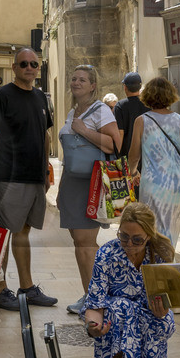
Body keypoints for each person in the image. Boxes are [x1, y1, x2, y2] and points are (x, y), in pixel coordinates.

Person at [0, 47, 59, 311]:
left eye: (34, 64)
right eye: (24, 63)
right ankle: (0, 290)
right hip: (7, 177)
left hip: (34, 177)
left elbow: (45, 136)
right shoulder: (1, 98)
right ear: (14, 68)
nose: (29, 68)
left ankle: (27, 287)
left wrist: (45, 169)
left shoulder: (40, 97)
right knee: (2, 235)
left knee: (23, 232)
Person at [80, 202, 180, 358]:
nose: (129, 244)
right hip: (115, 314)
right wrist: (92, 326)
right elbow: (95, 301)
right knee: (120, 308)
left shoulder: (160, 254)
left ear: (148, 236)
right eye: (124, 237)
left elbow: (166, 299)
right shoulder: (107, 254)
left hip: (146, 312)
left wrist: (162, 311)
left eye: (137, 240)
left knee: (165, 323)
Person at [57, 64, 122, 314]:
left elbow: (113, 144)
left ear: (93, 85)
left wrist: (84, 130)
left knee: (86, 242)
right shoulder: (73, 111)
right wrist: (61, 188)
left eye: (82, 80)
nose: (76, 83)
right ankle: (89, 295)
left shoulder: (101, 111)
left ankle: (96, 298)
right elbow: (69, 155)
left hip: (92, 184)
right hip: (73, 183)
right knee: (78, 242)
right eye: (73, 79)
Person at [125, 75, 180, 245]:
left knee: (151, 230)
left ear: (147, 96)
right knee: (172, 230)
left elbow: (134, 155)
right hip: (178, 183)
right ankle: (168, 261)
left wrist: (132, 173)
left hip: (153, 181)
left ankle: (157, 267)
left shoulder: (142, 121)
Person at [114, 71, 148, 161]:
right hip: (146, 154)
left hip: (127, 155)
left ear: (125, 87)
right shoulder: (149, 104)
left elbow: (120, 133)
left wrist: (116, 155)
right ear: (140, 87)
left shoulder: (120, 106)